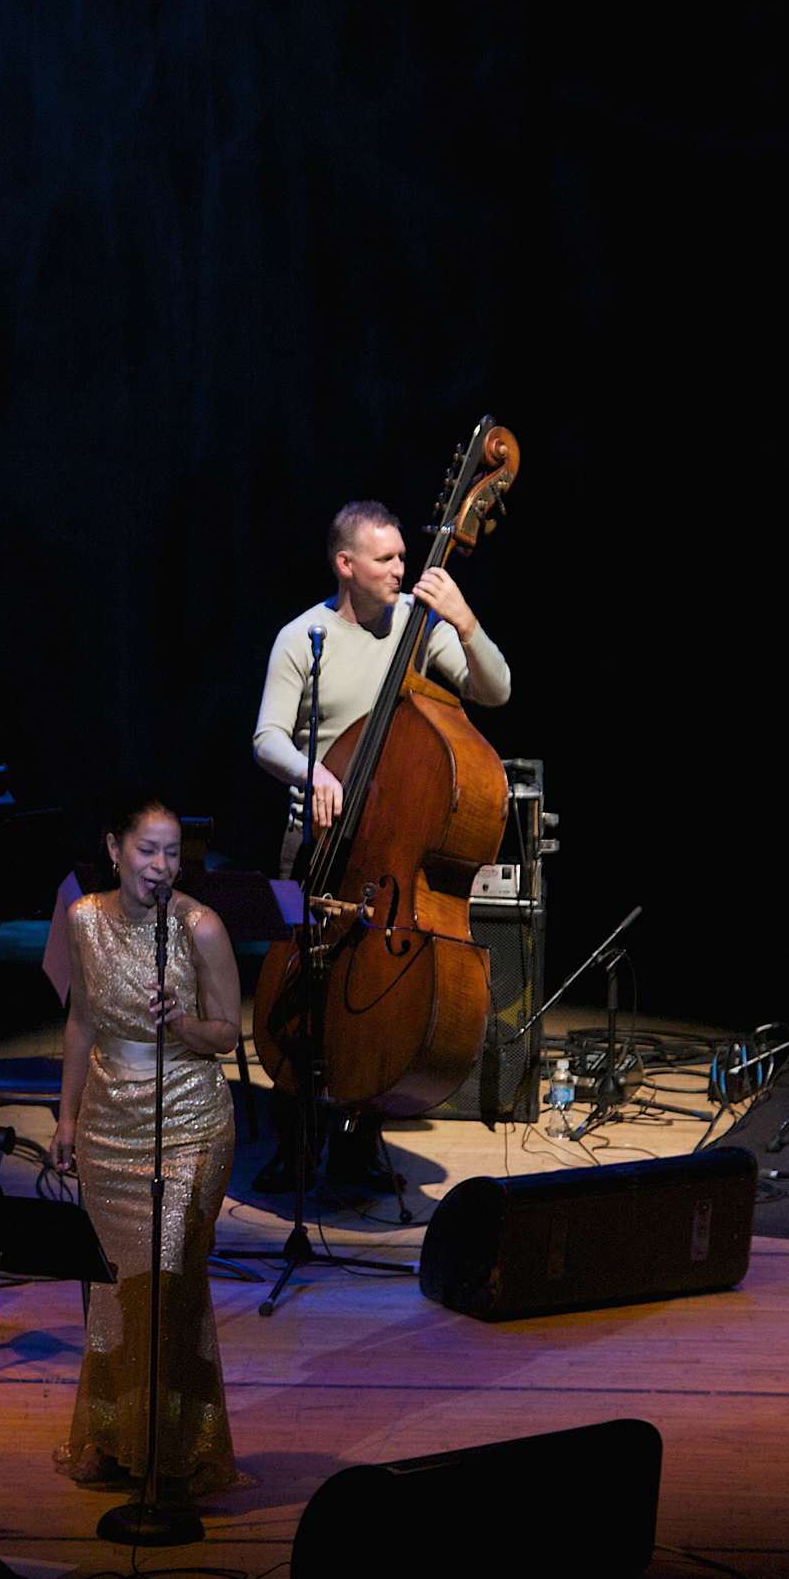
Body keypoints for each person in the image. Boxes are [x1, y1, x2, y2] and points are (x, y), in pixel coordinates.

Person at [250, 499, 513, 1191]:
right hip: (314, 842)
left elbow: (497, 690)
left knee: (379, 988)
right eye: (387, 558)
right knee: (306, 987)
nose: (404, 568)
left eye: (403, 555)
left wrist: (464, 619)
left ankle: (362, 1137)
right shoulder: (300, 636)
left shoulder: (417, 629)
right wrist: (310, 771)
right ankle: (295, 1138)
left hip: (389, 849)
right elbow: (266, 736)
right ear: (346, 565)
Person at [50, 791, 249, 1498]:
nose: (161, 866)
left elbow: (228, 1035)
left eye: (172, 853)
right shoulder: (81, 920)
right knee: (116, 1292)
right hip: (109, 1128)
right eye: (148, 850)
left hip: (189, 1122)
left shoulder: (201, 928)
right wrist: (67, 1120)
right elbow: (81, 1023)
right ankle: (112, 1434)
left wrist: (183, 1024)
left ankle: (173, 1447)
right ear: (114, 848)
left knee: (168, 1282)